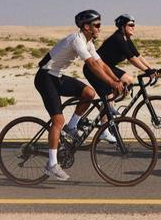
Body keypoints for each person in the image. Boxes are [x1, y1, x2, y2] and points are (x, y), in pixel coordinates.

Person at [34, 10, 124, 181]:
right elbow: (91, 65)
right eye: (97, 25)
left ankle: (72, 127)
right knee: (57, 120)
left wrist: (116, 79)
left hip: (57, 76)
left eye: (100, 25)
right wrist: (112, 84)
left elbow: (101, 64)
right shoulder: (77, 40)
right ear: (86, 27)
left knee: (88, 93)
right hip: (45, 77)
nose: (99, 28)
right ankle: (52, 164)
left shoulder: (88, 42)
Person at [83, 13, 157, 112]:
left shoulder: (126, 39)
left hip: (107, 68)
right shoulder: (118, 38)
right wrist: (147, 71)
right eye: (130, 25)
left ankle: (107, 107)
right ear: (123, 26)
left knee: (128, 80)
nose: (133, 27)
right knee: (109, 98)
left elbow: (138, 56)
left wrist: (151, 69)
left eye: (133, 25)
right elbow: (132, 59)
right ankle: (106, 114)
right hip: (94, 69)